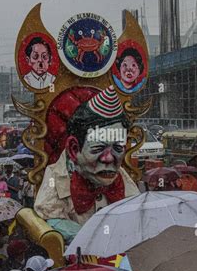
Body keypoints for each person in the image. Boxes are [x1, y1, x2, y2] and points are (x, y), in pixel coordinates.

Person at [34, 86, 139, 225]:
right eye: (98, 148)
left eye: (118, 148)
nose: (108, 158)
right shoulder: (55, 176)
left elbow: (136, 212)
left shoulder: (121, 176)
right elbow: (49, 218)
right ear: (74, 149)